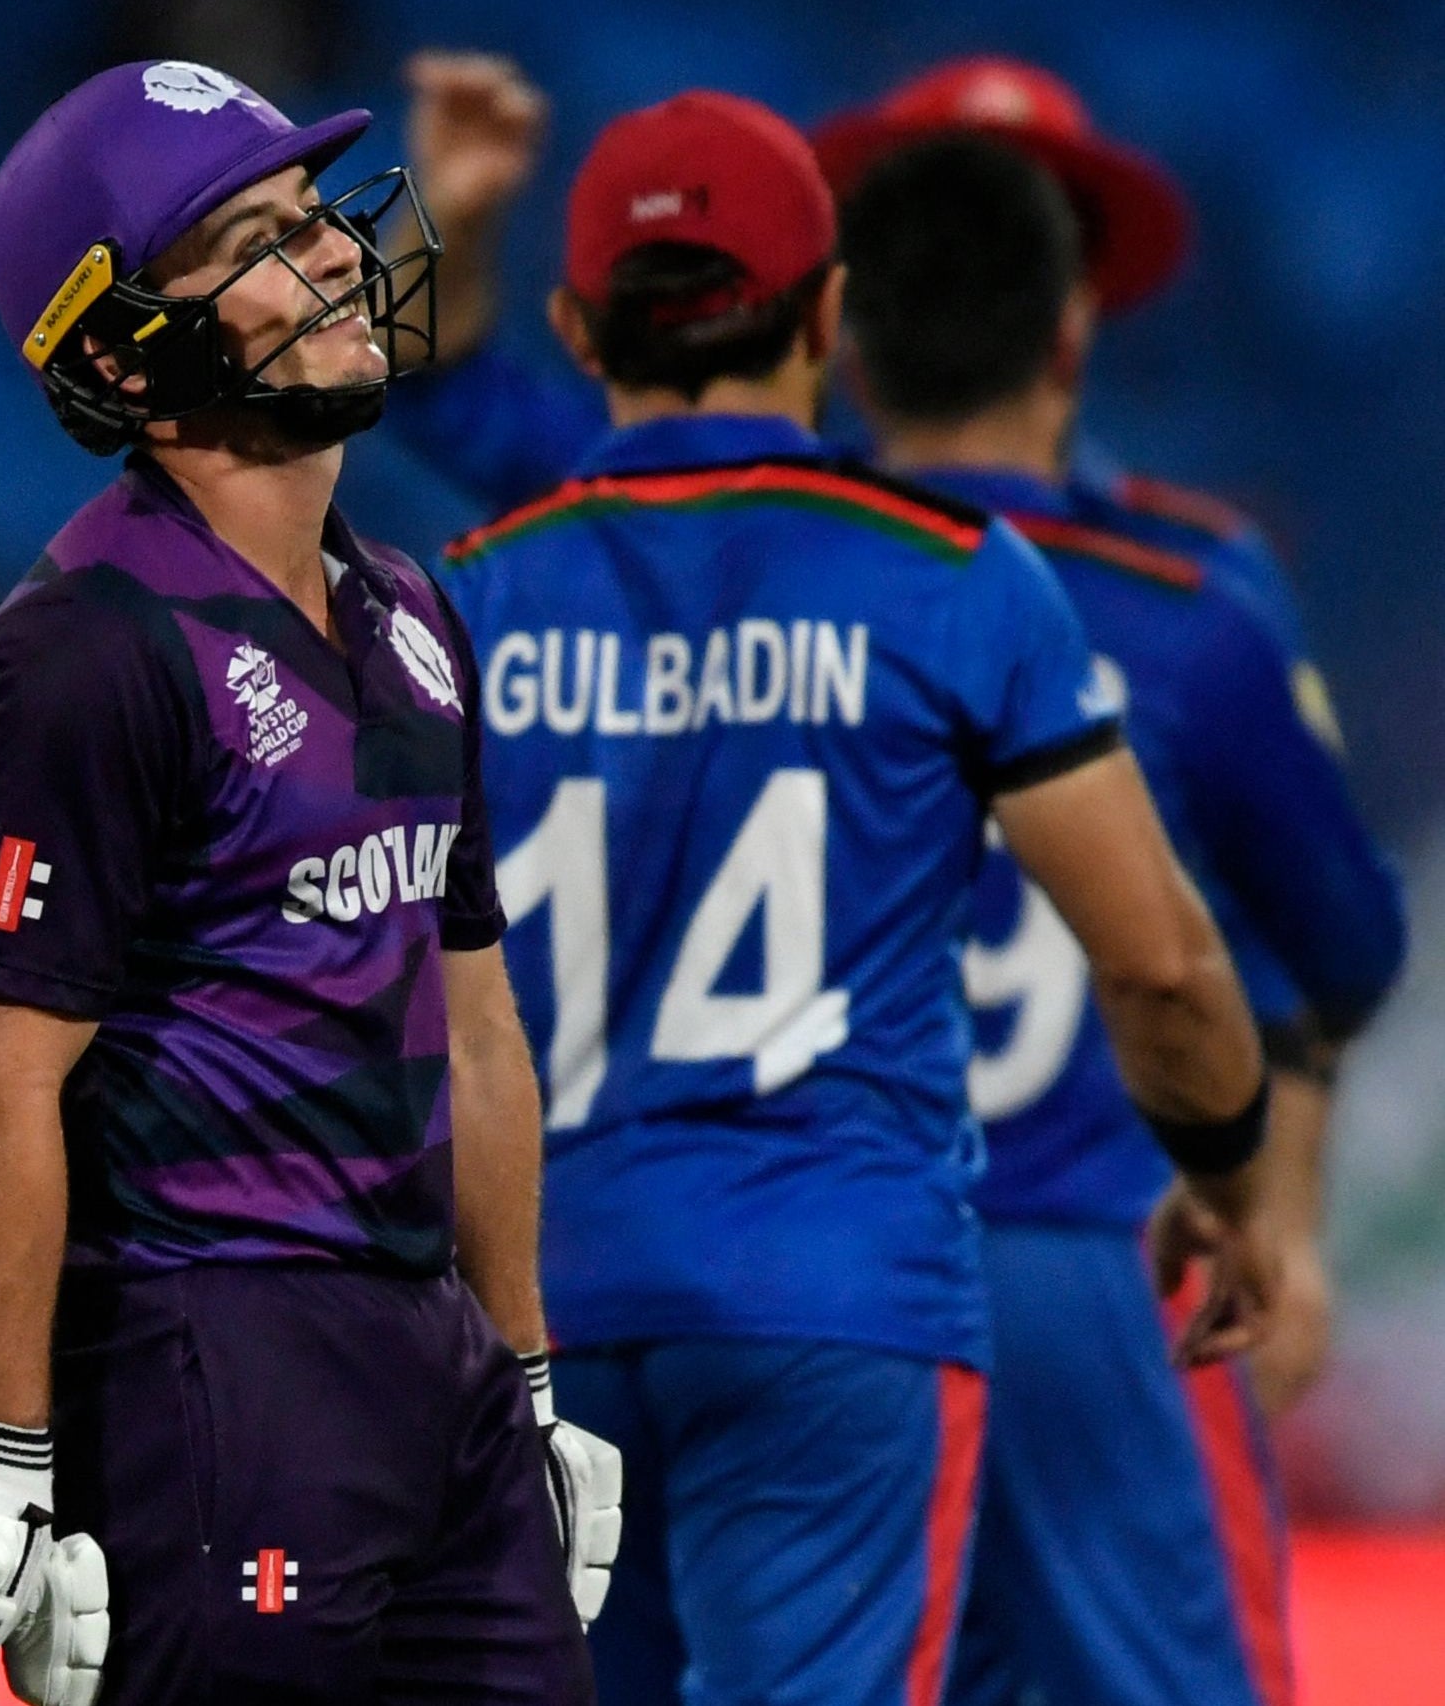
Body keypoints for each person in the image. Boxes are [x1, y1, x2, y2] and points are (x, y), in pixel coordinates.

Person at [430, 91, 1273, 1706]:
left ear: (572, 322)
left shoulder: (462, 599)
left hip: (528, 1305)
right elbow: (1160, 964)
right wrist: (1226, 1172)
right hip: (835, 1297)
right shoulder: (946, 576)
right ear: (825, 313)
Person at [0, 59, 620, 1706]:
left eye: (314, 211)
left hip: (431, 1362)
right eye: (254, 236)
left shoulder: (408, 611)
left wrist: (525, 1370)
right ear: (120, 347)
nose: (331, 251)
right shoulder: (76, 654)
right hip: (210, 1361)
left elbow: (473, 1030)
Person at [832, 120, 1405, 1706]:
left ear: (844, 334)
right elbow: (1345, 943)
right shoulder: (1180, 602)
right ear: (1070, 324)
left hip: (819, 1265)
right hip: (1103, 1256)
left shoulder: (767, 593)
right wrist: (1267, 1201)